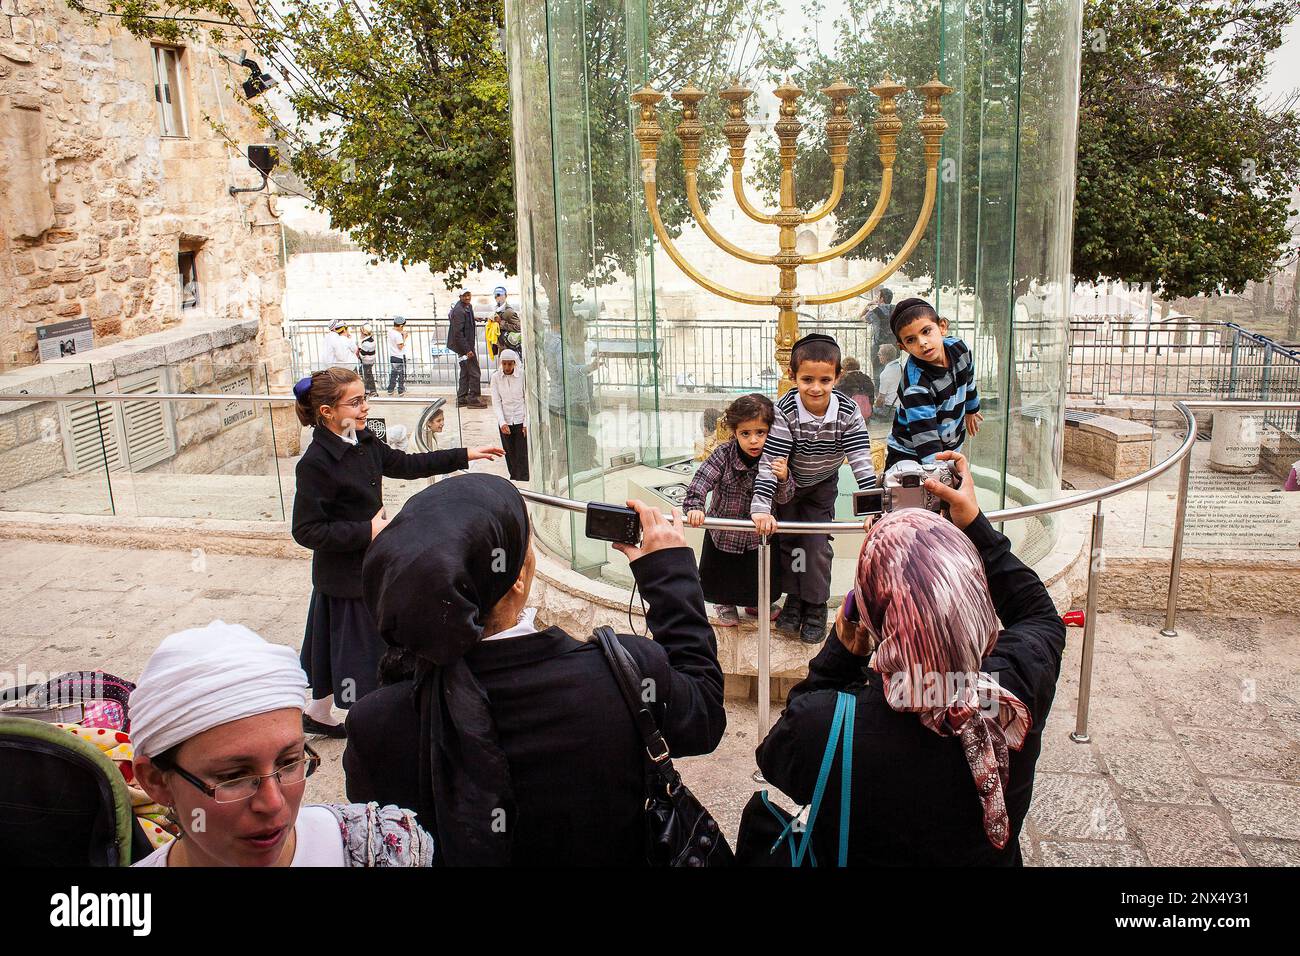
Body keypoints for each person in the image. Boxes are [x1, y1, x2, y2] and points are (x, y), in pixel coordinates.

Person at [343, 476, 726, 866]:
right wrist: (670, 573)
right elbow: (705, 716)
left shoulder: (375, 724)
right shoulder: (623, 677)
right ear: (519, 578)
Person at [755, 451, 1067, 865]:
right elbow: (1039, 613)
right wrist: (973, 525)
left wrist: (840, 654)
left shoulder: (826, 727)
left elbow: (776, 758)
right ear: (974, 592)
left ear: (871, 613)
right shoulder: (1016, 688)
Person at [291, 368, 503, 736]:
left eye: (365, 399)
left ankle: (317, 714)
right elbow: (306, 530)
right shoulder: (315, 463)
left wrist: (465, 454)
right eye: (355, 402)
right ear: (326, 412)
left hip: (371, 565)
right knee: (357, 655)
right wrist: (367, 531)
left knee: (341, 650)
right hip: (345, 580)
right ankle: (371, 726)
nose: (364, 408)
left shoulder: (364, 439)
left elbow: (404, 465)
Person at [129, 621, 434, 867]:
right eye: (234, 777)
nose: (273, 803)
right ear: (156, 781)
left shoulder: (378, 850)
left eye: (289, 763)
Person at [751, 333, 878, 645]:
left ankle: (816, 603)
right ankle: (795, 597)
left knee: (816, 544)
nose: (816, 388)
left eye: (825, 379)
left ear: (837, 377)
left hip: (822, 486)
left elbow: (861, 460)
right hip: (788, 484)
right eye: (807, 379)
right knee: (789, 543)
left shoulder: (848, 413)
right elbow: (772, 459)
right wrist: (761, 507)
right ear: (793, 377)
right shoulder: (785, 411)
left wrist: (876, 509)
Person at [685, 394, 793, 626]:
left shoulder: (776, 458)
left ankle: (756, 602)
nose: (753, 441)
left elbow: (785, 498)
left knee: (757, 572)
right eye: (746, 433)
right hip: (725, 533)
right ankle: (725, 602)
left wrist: (783, 477)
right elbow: (701, 481)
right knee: (724, 573)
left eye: (760, 433)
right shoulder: (723, 455)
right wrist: (695, 506)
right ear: (734, 432)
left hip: (758, 535)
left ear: (770, 431)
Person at [885, 297, 983, 468]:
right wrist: (939, 474)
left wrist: (971, 409)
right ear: (903, 347)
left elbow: (968, 381)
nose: (922, 343)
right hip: (909, 453)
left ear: (942, 327)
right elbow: (926, 440)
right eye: (911, 340)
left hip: (948, 445)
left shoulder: (960, 349)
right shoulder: (916, 385)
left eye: (926, 331)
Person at [491, 348, 529, 482]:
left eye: (510, 364)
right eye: (504, 364)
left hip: (520, 419)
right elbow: (496, 402)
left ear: (514, 363)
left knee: (523, 453)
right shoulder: (495, 378)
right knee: (510, 453)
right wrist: (502, 422)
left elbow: (527, 400)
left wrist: (526, 423)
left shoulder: (523, 376)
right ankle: (514, 480)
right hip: (505, 421)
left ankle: (524, 480)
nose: (507, 367)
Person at [448, 289, 487, 408]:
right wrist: (467, 350)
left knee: (465, 371)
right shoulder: (459, 310)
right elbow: (458, 333)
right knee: (474, 371)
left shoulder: (467, 307)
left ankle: (462, 398)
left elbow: (466, 320)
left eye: (468, 295)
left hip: (465, 345)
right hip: (464, 346)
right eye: (464, 296)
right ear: (460, 297)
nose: (467, 297)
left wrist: (475, 319)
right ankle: (473, 398)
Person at [863, 287, 895, 382]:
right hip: (893, 346)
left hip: (879, 347)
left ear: (881, 299)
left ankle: (880, 394)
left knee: (878, 374)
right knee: (892, 372)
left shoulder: (876, 311)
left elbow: (861, 317)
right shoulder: (895, 309)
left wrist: (869, 304)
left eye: (878, 296)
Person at [874, 343, 903, 422]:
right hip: (902, 407)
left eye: (879, 354)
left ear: (885, 357)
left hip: (890, 410)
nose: (878, 356)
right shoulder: (901, 367)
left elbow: (881, 399)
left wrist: (875, 406)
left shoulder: (885, 373)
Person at [494, 286, 523, 357]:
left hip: (509, 347)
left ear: (505, 296)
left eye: (500, 295)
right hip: (502, 345)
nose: (498, 297)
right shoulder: (498, 309)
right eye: (496, 295)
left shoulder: (509, 311)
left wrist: (501, 322)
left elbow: (519, 327)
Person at [386, 316, 409, 397]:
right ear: (401, 326)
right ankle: (401, 391)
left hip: (393, 355)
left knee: (393, 374)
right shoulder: (398, 335)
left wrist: (401, 334)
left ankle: (390, 390)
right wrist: (404, 337)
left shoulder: (390, 331)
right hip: (399, 356)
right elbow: (400, 346)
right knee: (401, 375)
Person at [357, 324, 379, 397]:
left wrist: (358, 350)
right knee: (368, 375)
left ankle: (370, 391)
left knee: (367, 375)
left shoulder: (366, 342)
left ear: (364, 332)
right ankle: (370, 390)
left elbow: (363, 354)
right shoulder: (370, 339)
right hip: (370, 361)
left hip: (367, 361)